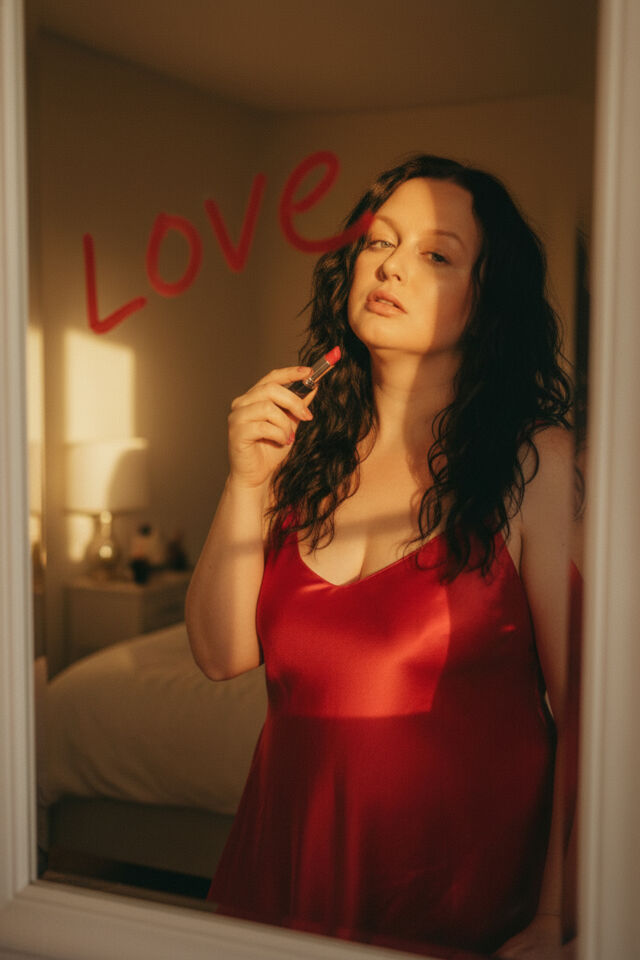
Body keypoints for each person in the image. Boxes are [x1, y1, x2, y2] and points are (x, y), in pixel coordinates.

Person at [186, 155, 580, 959]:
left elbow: (591, 719)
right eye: (379, 242)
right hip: (281, 873)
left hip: (458, 900)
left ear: (487, 299)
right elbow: (221, 654)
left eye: (436, 254)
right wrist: (245, 481)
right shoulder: (301, 453)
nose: (392, 265)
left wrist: (556, 915)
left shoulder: (535, 464)